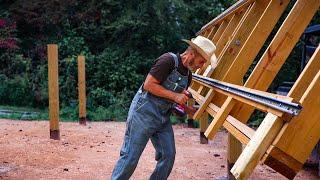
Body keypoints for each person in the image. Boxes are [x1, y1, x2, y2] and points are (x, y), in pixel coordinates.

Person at [111, 36, 217, 180]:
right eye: (202, 61)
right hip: (143, 113)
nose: (202, 65)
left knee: (168, 156)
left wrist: (188, 110)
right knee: (130, 157)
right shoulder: (167, 60)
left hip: (162, 118)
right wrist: (176, 96)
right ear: (192, 53)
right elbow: (149, 85)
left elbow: (173, 102)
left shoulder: (188, 76)